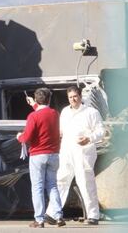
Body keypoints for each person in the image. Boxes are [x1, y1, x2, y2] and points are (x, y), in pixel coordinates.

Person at [46, 86, 105, 225]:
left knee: (85, 182)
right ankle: (53, 213)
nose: (73, 99)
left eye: (75, 96)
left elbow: (101, 131)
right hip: (66, 151)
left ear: (80, 96)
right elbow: (61, 130)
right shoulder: (65, 111)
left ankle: (93, 215)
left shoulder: (91, 112)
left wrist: (89, 138)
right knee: (61, 180)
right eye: (70, 97)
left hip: (83, 152)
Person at [17, 88, 65, 228]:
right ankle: (58, 215)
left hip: (38, 155)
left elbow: (27, 137)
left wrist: (19, 136)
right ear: (49, 99)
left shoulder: (33, 116)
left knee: (37, 187)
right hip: (54, 154)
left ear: (37, 99)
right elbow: (44, 113)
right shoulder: (55, 114)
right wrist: (34, 104)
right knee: (52, 185)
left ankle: (39, 219)